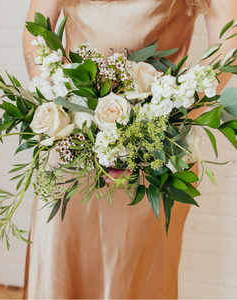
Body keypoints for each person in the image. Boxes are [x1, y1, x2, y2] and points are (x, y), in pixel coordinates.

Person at [22, 0, 237, 298]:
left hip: (156, 152)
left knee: (139, 276)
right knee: (59, 267)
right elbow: (38, 33)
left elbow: (227, 44)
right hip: (73, 145)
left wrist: (169, 114)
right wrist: (61, 100)